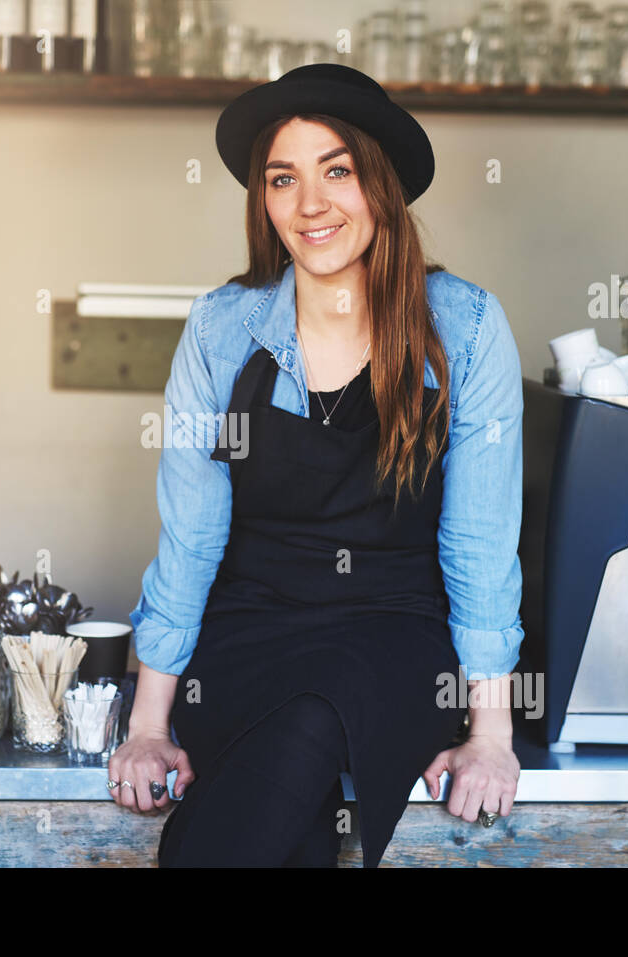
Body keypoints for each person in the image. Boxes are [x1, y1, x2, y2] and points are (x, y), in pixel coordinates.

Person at [111, 64, 523, 867]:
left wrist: (491, 734)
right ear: (262, 201)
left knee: (306, 726)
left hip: (394, 638)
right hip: (248, 633)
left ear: (382, 184)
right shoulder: (223, 331)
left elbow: (479, 541)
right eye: (282, 178)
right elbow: (191, 535)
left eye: (337, 170)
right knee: (288, 807)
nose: (310, 205)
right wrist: (149, 726)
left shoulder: (467, 328)